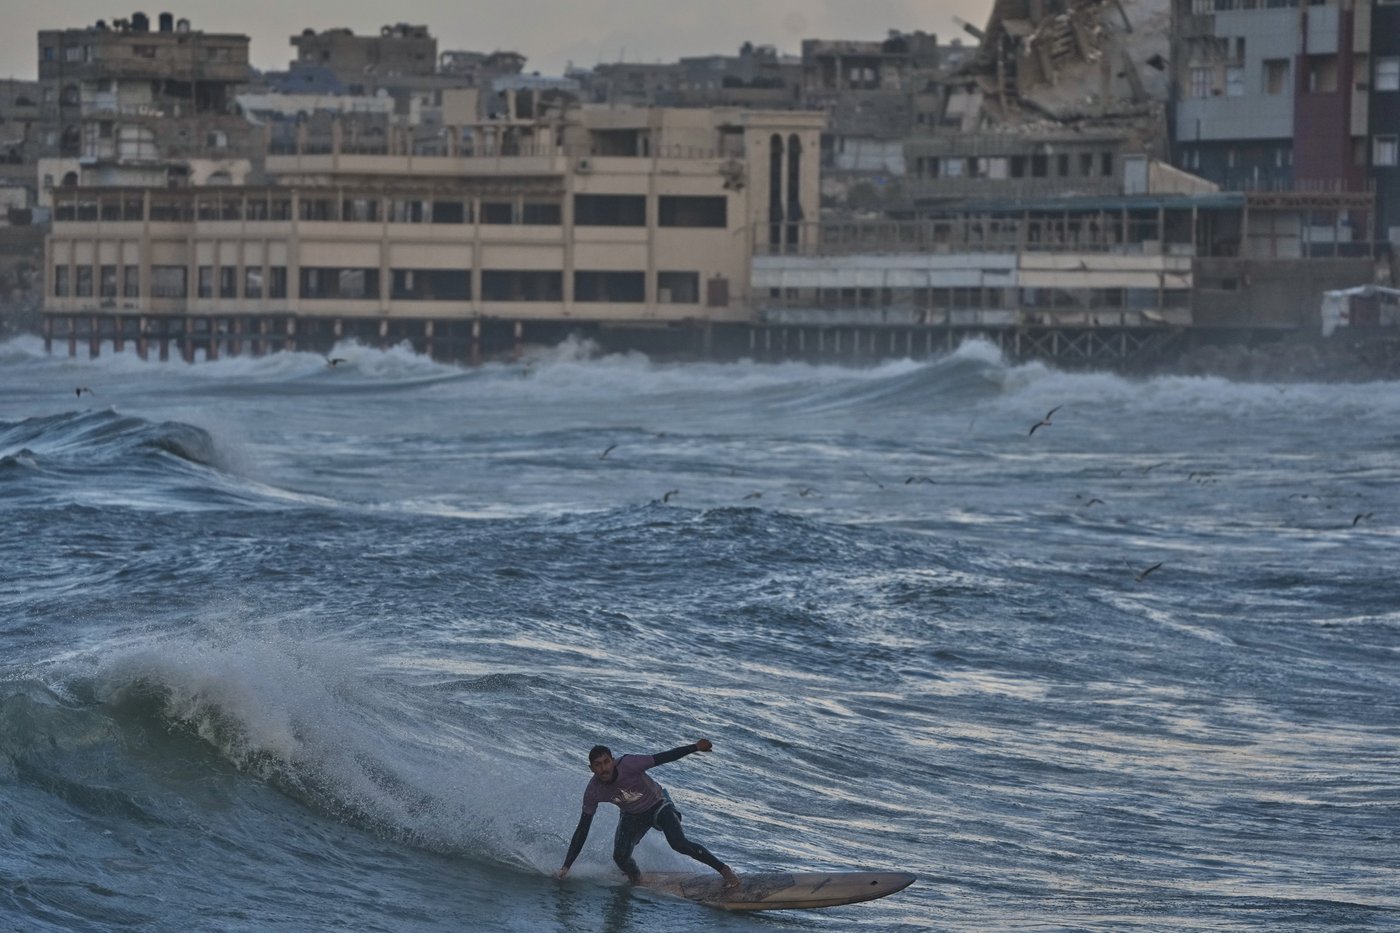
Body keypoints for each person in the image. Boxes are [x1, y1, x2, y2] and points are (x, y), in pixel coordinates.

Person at [554, 738, 740, 887]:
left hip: (659, 804)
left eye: (606, 762)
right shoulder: (593, 791)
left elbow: (663, 757)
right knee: (620, 858)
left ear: (613, 760)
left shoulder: (630, 763)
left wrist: (695, 747)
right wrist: (566, 866)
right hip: (631, 815)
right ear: (591, 769)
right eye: (598, 765)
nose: (604, 768)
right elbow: (582, 829)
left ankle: (724, 870)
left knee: (678, 843)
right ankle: (637, 880)